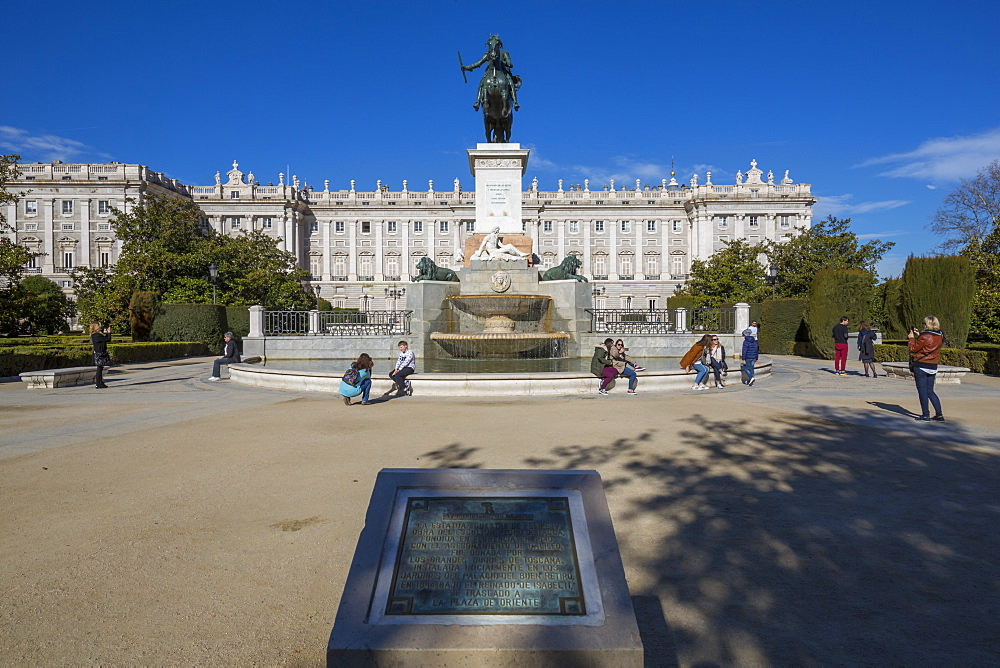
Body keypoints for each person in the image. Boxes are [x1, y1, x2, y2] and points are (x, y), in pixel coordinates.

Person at [908, 316, 945, 422]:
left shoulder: (925, 336)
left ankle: (925, 414)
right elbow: (930, 343)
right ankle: (939, 414)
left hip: (921, 365)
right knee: (930, 391)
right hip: (933, 366)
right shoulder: (940, 335)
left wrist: (911, 338)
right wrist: (919, 335)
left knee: (922, 391)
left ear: (926, 324)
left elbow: (913, 348)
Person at [90, 321, 112, 389]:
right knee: (99, 368)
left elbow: (105, 339)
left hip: (100, 352)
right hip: (99, 353)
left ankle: (100, 382)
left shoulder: (97, 335)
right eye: (99, 325)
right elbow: (107, 339)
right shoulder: (96, 335)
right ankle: (98, 383)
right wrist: (109, 333)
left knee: (100, 368)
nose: (100, 327)